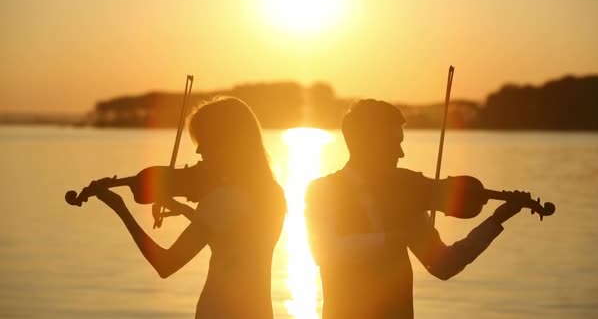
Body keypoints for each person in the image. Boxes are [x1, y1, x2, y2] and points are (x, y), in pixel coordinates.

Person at [305, 99, 529, 318]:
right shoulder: (322, 191)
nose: (401, 154)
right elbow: (327, 251)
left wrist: (495, 222)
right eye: (394, 143)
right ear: (367, 142)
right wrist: (390, 239)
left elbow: (444, 265)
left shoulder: (405, 196)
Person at [88, 97, 286, 318]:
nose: (199, 151)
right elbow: (233, 237)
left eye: (205, 141)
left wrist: (120, 208)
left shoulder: (220, 201)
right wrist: (184, 210)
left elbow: (166, 264)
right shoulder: (272, 194)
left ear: (226, 142)